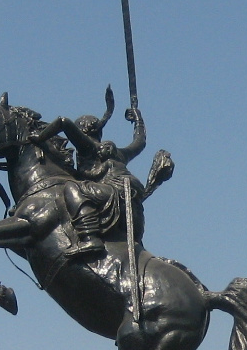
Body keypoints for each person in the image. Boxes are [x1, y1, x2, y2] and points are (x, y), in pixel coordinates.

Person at [33, 88, 172, 256]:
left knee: (71, 188)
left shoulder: (88, 149)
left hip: (113, 194)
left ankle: (90, 238)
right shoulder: (120, 153)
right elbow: (140, 141)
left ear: (81, 132)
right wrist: (138, 119)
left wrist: (39, 138)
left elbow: (63, 122)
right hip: (133, 203)